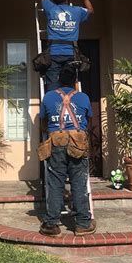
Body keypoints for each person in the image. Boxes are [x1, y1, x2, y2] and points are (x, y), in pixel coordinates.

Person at [38, 64, 95, 237]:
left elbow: (43, 123)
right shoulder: (83, 97)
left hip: (57, 142)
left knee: (55, 183)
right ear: (75, 82)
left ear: (58, 80)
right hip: (78, 142)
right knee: (78, 182)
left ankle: (51, 225)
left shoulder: (48, 97)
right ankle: (83, 223)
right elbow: (89, 122)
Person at [37, 0, 94, 92]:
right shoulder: (76, 11)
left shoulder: (50, 8)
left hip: (54, 54)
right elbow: (91, 11)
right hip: (70, 54)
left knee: (52, 87)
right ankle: (68, 109)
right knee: (69, 87)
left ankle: (53, 110)